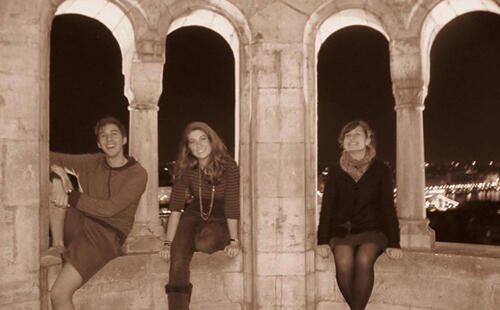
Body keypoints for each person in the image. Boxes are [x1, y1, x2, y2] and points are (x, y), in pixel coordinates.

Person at [44, 116, 148, 310]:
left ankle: (63, 248)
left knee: (58, 294)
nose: (109, 140)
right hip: (80, 222)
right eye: (104, 136)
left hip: (105, 235)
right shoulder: (92, 162)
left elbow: (110, 209)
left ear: (124, 140)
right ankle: (57, 245)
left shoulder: (137, 173)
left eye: (114, 134)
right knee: (52, 185)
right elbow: (44, 154)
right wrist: (57, 174)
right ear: (99, 143)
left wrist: (70, 195)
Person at [317, 120, 402, 310]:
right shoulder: (336, 170)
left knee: (364, 260)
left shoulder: (381, 169)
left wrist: (395, 242)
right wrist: (322, 240)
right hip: (342, 231)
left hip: (373, 230)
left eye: (357, 134)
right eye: (348, 136)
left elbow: (388, 207)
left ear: (367, 139)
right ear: (342, 142)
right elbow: (328, 207)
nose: (352, 139)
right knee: (344, 263)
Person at [159, 121, 241, 309]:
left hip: (221, 213)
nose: (199, 145)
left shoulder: (229, 166)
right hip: (196, 210)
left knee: (205, 243)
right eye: (193, 142)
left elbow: (232, 204)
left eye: (203, 139)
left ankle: (194, 241)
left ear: (212, 141)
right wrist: (168, 242)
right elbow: (176, 206)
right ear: (188, 147)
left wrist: (234, 240)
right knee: (178, 255)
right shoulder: (186, 167)